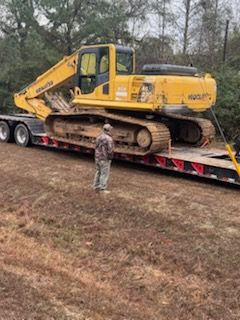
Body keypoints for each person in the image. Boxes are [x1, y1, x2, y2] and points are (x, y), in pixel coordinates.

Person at [93, 123, 114, 193]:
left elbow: (95, 146)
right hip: (105, 158)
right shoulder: (109, 139)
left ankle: (95, 186)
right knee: (104, 173)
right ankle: (102, 188)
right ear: (109, 130)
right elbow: (110, 150)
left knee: (98, 172)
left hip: (97, 157)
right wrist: (110, 158)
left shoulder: (98, 137)